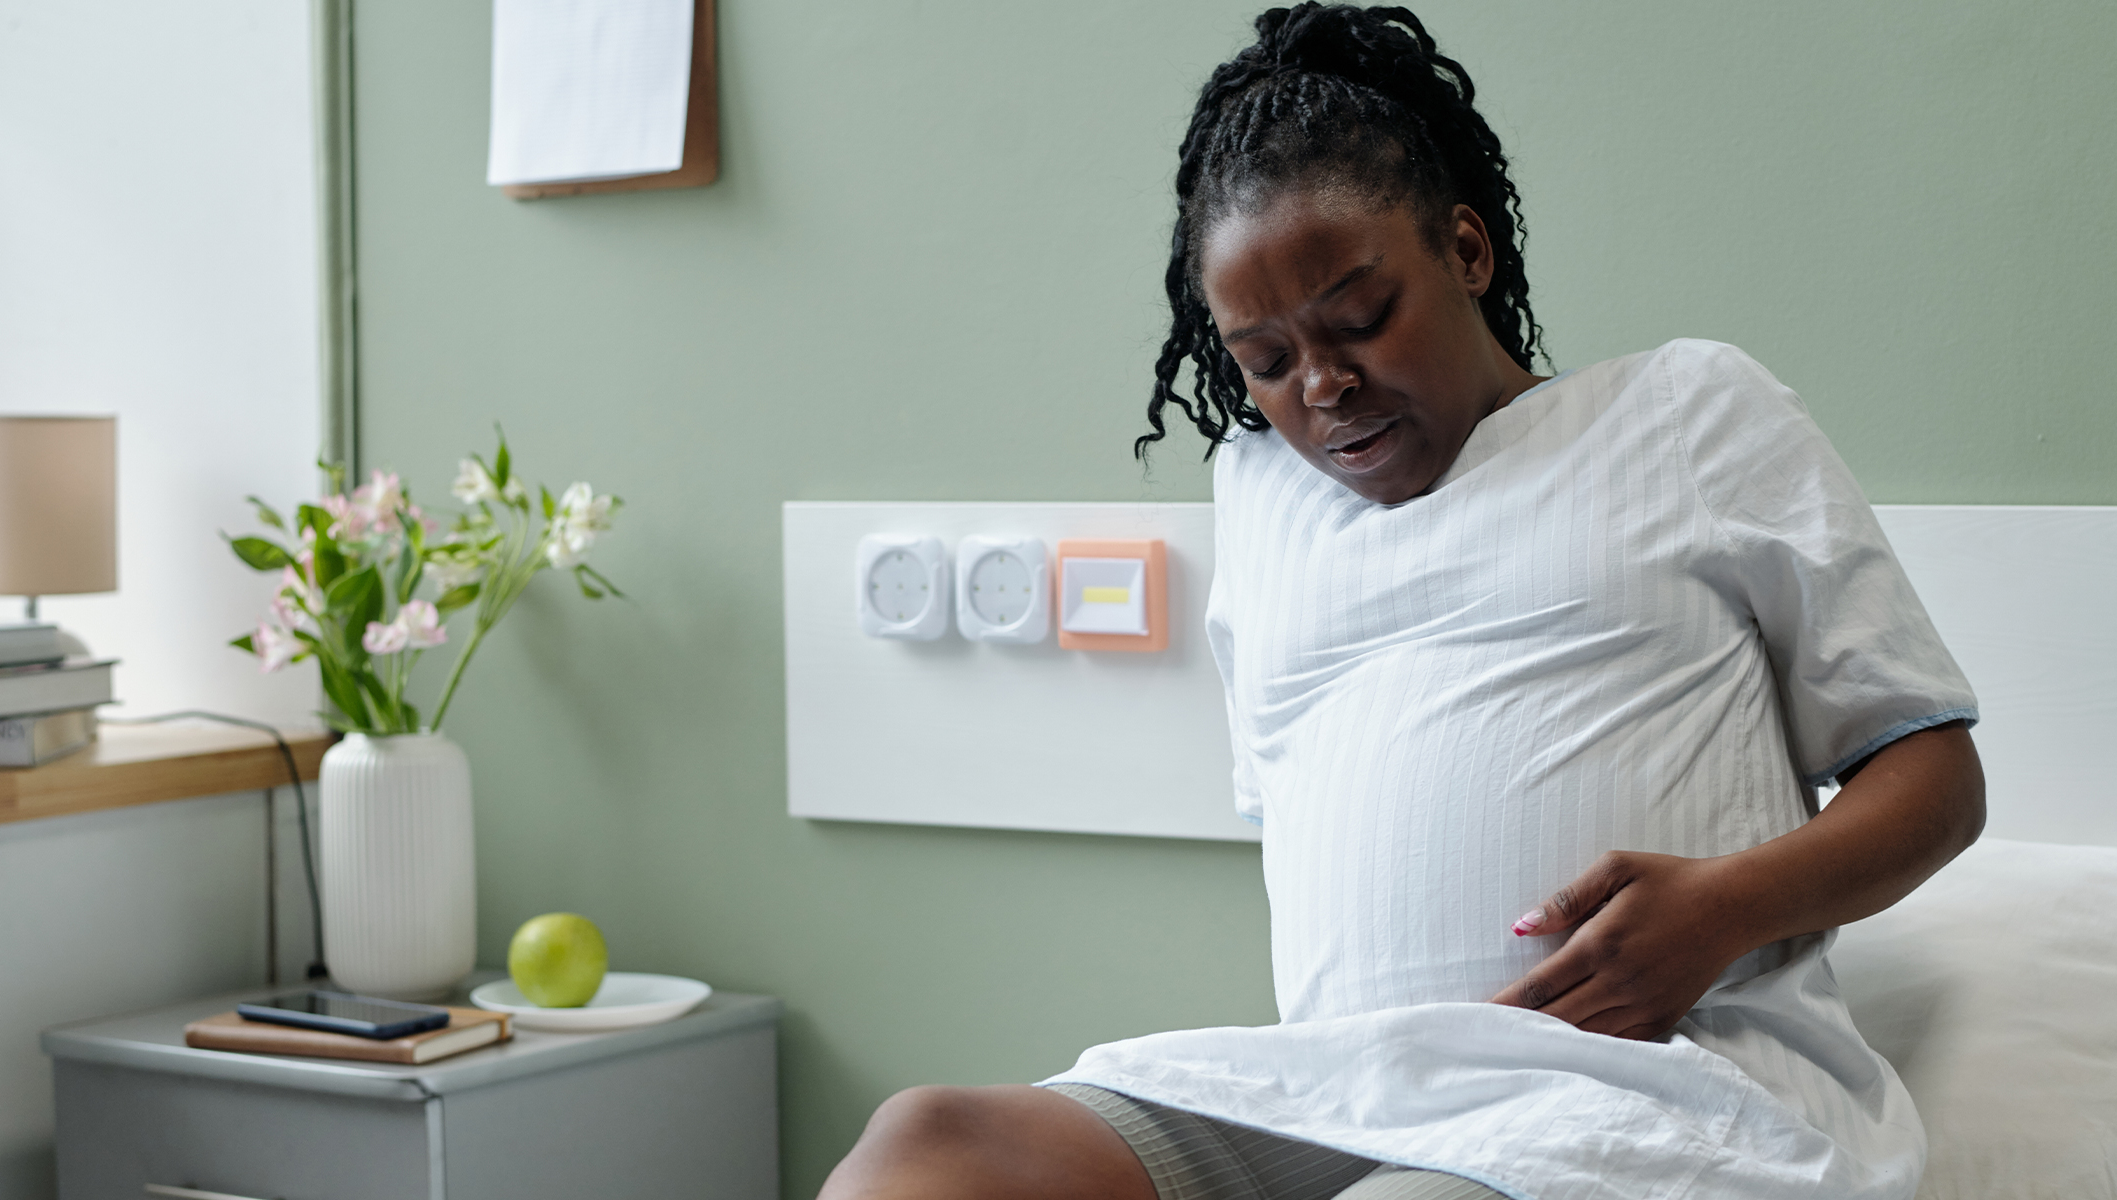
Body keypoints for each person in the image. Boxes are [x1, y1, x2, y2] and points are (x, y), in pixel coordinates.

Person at [820, 5, 1985, 1198]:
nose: (1322, 385)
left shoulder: (1687, 413)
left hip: (1651, 1086)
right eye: (1264, 360)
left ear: (1467, 252)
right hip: (1346, 1091)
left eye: (1361, 319)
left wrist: (1719, 912)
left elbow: (1937, 783)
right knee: (928, 1147)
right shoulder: (1261, 501)